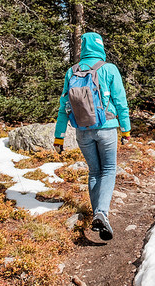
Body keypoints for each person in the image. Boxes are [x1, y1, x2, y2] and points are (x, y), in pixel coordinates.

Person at [54, 32, 130, 241]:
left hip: (81, 130)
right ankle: (101, 213)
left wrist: (59, 137)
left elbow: (63, 107)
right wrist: (126, 129)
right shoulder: (109, 69)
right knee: (108, 170)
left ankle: (98, 214)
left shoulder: (72, 71)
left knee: (94, 171)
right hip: (106, 127)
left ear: (84, 47)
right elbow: (121, 101)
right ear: (101, 46)